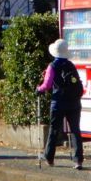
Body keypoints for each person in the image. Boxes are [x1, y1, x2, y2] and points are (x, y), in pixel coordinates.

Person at [37, 38, 85, 169]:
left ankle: (49, 157)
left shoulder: (52, 66)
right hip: (74, 102)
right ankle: (78, 160)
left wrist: (38, 89)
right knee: (75, 130)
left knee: (54, 130)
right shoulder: (70, 65)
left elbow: (46, 85)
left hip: (58, 102)